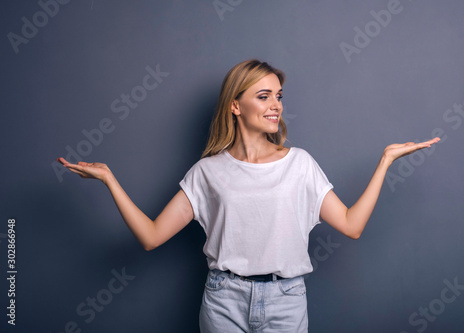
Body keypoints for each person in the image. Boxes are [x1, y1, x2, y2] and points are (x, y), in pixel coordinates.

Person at [57, 59, 440, 332]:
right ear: (236, 106)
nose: (276, 105)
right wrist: (110, 180)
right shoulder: (208, 172)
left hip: (286, 301)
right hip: (224, 300)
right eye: (264, 95)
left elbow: (352, 226)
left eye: (278, 95)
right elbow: (152, 236)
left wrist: (386, 160)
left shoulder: (300, 164)